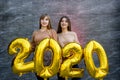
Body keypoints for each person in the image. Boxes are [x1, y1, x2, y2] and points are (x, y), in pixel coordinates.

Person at [31, 14, 57, 80]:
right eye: (42, 19)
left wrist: (58, 60)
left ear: (49, 22)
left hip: (48, 59)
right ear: (40, 21)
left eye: (46, 19)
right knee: (39, 78)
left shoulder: (52, 31)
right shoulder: (35, 32)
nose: (44, 21)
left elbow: (56, 47)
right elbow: (32, 46)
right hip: (37, 59)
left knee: (45, 78)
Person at [57, 16, 81, 80]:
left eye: (66, 21)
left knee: (77, 79)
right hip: (62, 62)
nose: (64, 22)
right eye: (62, 21)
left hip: (73, 61)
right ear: (60, 23)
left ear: (68, 24)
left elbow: (79, 46)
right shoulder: (57, 35)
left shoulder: (73, 34)